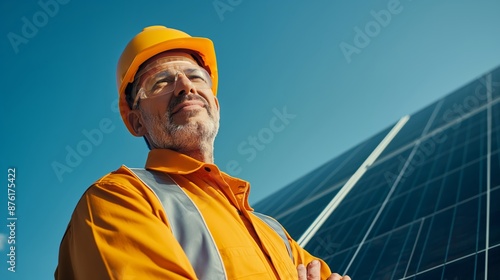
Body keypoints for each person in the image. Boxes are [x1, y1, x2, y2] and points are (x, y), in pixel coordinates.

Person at [55, 25, 351, 280]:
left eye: (196, 77)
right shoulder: (118, 200)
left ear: (215, 105)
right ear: (137, 121)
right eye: (161, 82)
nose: (185, 87)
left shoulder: (274, 232)